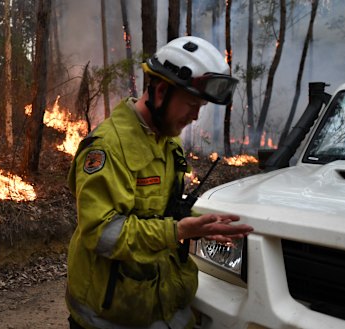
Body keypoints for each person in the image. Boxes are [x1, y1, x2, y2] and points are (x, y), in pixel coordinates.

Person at [65, 36, 254, 329]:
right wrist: (177, 230)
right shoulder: (107, 147)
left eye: (201, 107)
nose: (195, 116)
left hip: (159, 304)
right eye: (192, 104)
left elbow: (163, 212)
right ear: (162, 91)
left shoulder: (170, 146)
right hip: (109, 315)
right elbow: (101, 233)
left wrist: (198, 224)